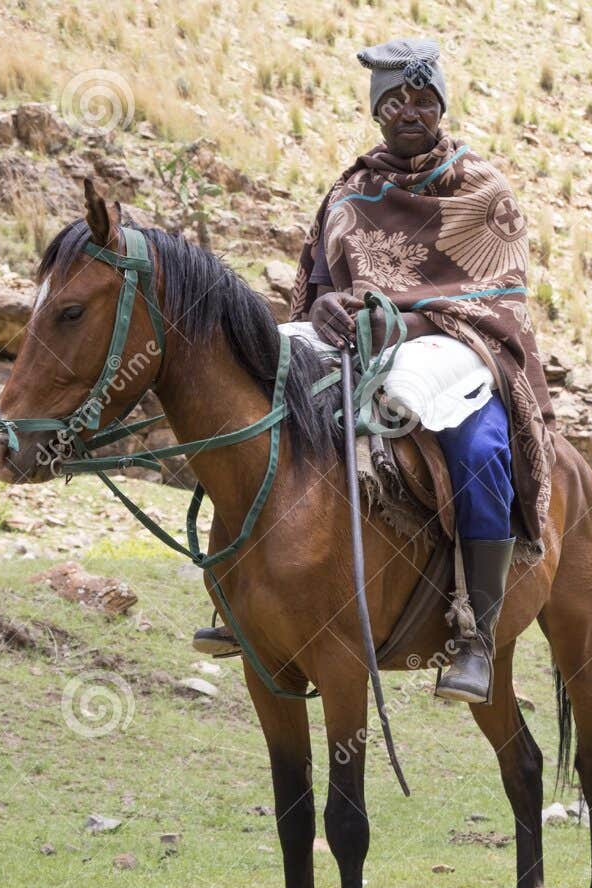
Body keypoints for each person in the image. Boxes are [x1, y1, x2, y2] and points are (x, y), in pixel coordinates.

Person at [195, 37, 554, 705]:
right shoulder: (351, 189)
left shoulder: (485, 190)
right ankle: (237, 592)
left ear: (441, 105)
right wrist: (329, 306)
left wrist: (411, 323)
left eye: (423, 98)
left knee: (481, 451)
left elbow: (499, 299)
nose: (410, 110)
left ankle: (474, 635)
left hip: (455, 350)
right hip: (356, 346)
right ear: (377, 109)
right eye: (396, 99)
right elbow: (321, 282)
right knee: (257, 409)